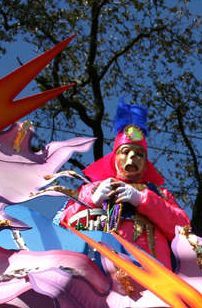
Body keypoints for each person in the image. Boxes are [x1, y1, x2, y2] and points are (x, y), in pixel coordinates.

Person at [59, 100, 190, 268]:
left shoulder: (161, 194)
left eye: (138, 154)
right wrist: (92, 202)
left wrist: (144, 200)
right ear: (114, 158)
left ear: (145, 163)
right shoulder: (89, 190)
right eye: (126, 152)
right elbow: (62, 227)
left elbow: (184, 230)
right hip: (102, 273)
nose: (132, 157)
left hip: (155, 278)